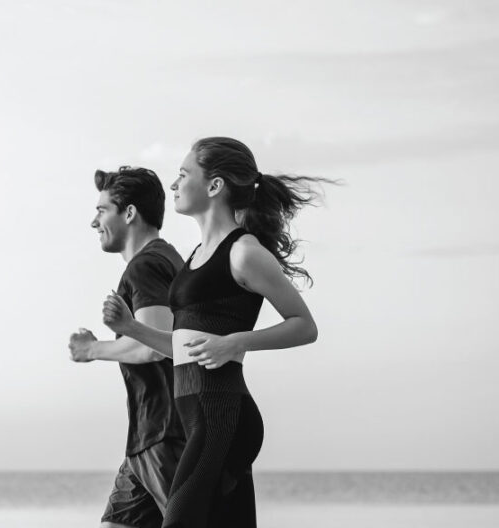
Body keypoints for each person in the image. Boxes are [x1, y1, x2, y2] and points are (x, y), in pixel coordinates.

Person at [102, 138, 332, 528]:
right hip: (200, 418)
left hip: (222, 416)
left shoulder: (243, 252)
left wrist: (236, 342)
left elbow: (304, 326)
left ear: (214, 186)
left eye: (183, 174)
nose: (174, 184)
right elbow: (185, 349)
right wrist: (131, 328)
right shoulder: (194, 256)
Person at [69, 166, 186, 528]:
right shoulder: (166, 259)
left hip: (164, 435)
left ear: (130, 213)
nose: (94, 222)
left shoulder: (147, 266)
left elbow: (156, 345)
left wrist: (93, 350)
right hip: (147, 439)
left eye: (102, 210)